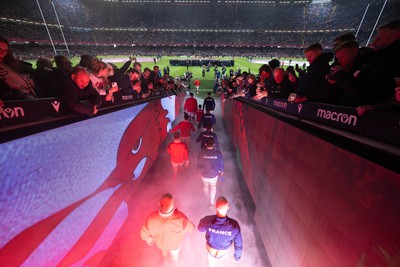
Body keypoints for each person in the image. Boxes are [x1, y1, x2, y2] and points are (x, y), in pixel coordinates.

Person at [140, 193, 195, 265]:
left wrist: (147, 238)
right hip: (174, 245)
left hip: (161, 245)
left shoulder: (151, 218)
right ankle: (174, 264)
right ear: (173, 206)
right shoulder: (181, 218)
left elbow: (143, 234)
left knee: (164, 253)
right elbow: (191, 229)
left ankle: (165, 262)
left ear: (159, 204)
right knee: (174, 257)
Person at [198, 196, 242, 267]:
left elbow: (200, 229)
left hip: (211, 252)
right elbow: (238, 244)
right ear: (228, 207)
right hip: (224, 253)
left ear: (215, 207)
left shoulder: (207, 220)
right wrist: (237, 257)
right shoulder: (234, 225)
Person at [197, 138, 224, 208]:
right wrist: (221, 171)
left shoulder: (201, 153)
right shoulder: (218, 154)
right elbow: (221, 164)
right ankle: (211, 203)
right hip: (214, 175)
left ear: (205, 144)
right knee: (213, 186)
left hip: (204, 175)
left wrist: (198, 172)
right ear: (214, 145)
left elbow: (198, 164)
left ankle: (206, 199)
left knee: (205, 186)